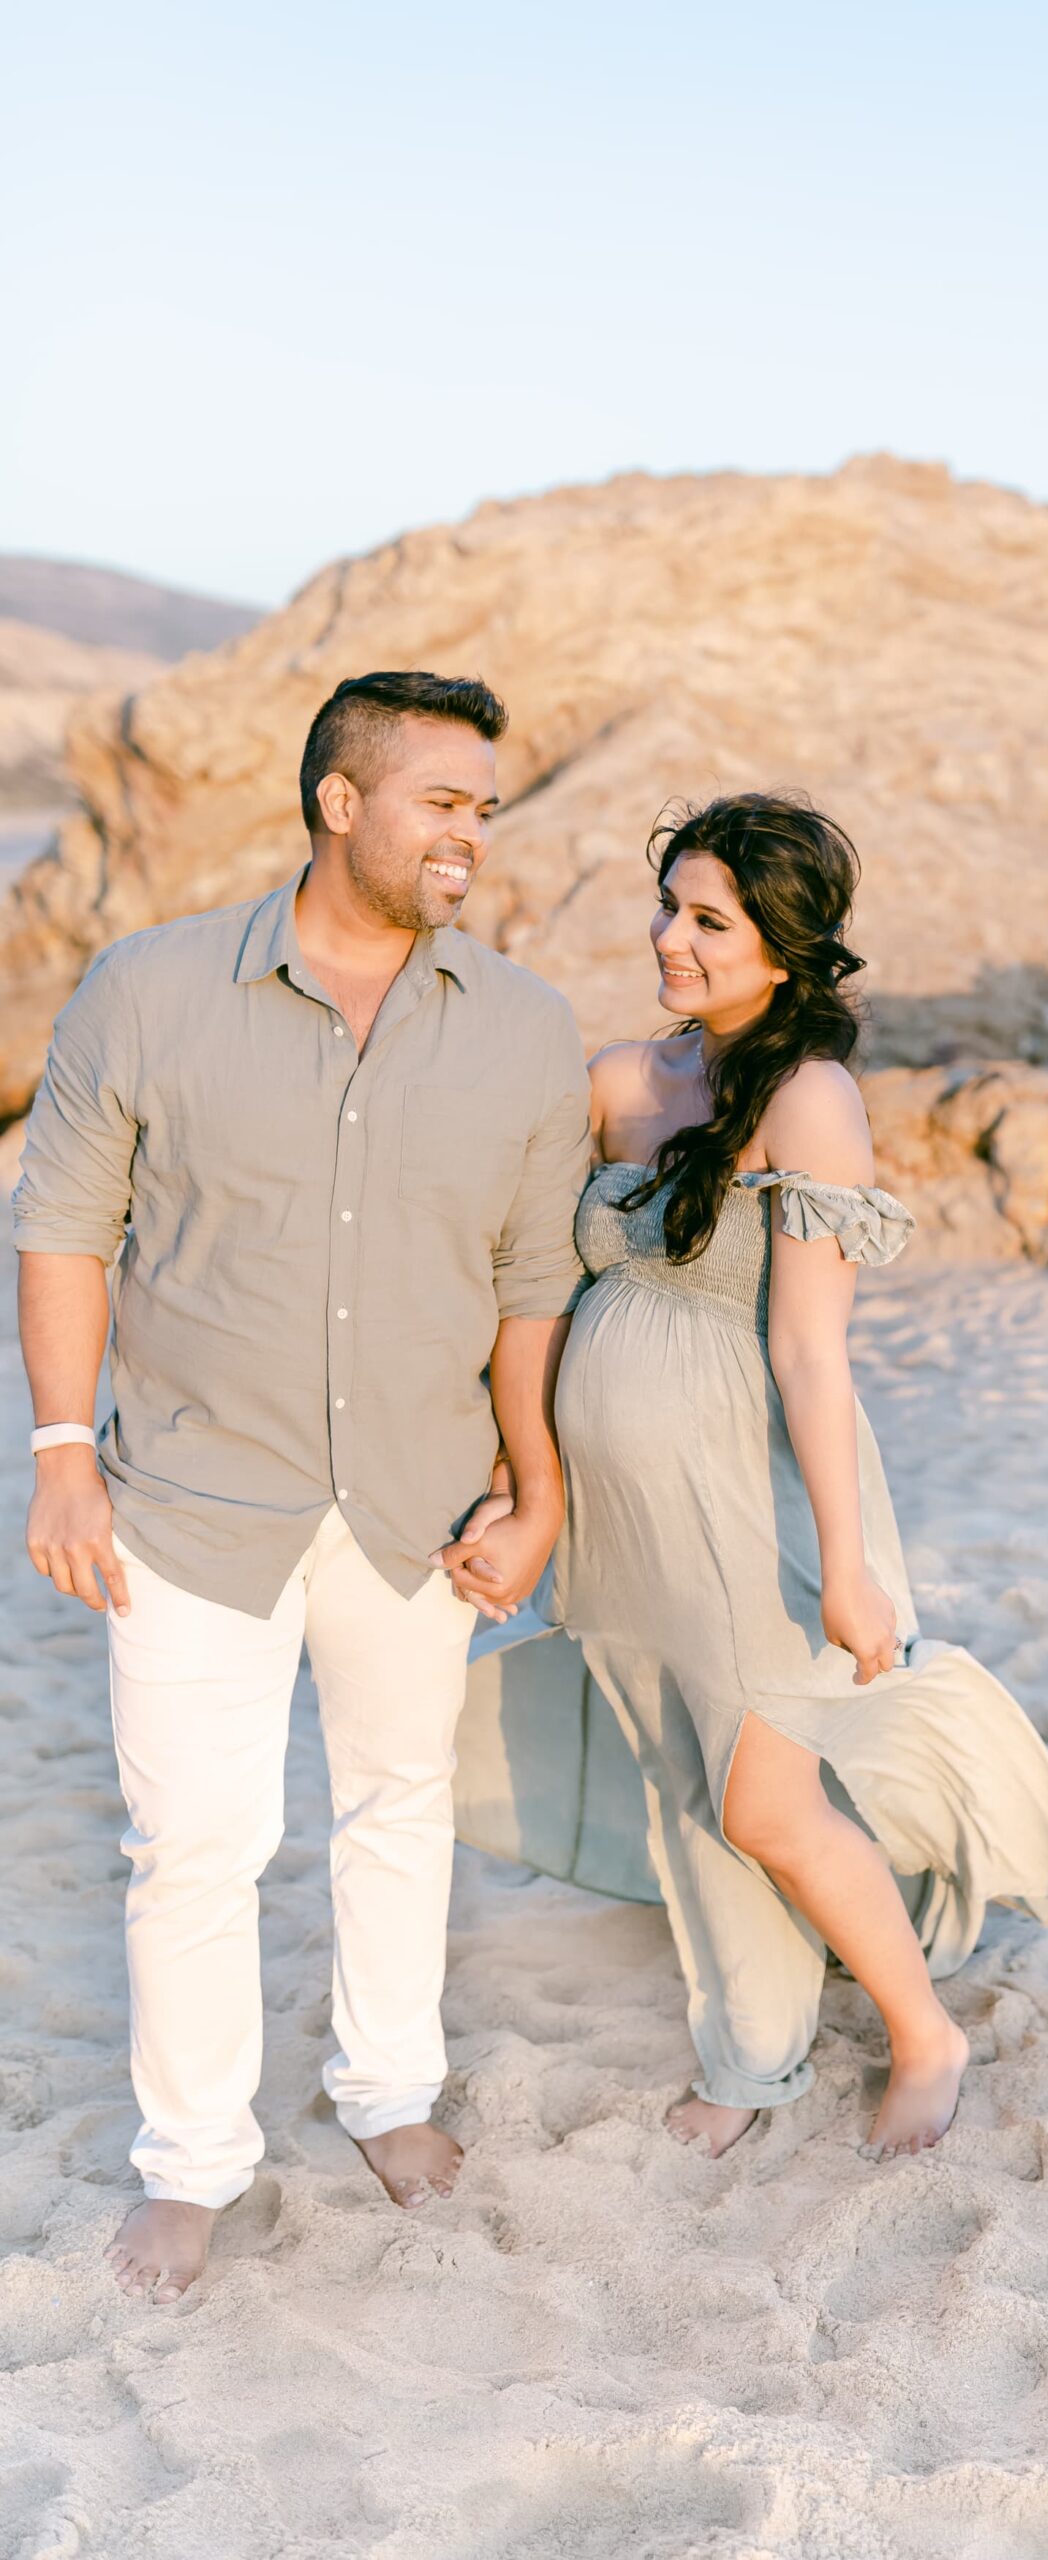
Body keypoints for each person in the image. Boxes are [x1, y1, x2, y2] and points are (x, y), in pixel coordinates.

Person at [14, 670, 587, 2303]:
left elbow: (533, 1281)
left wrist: (529, 1491)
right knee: (194, 1841)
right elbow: (63, 1225)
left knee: (400, 1809)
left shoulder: (527, 1027)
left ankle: (385, 2092)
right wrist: (62, 1458)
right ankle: (191, 2166)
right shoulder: (149, 988)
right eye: (443, 801)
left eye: (485, 805)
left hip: (417, 1502)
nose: (472, 833)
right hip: (193, 1493)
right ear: (341, 802)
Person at [437, 795, 1048, 2160]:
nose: (672, 938)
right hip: (617, 1521)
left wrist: (846, 1564)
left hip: (742, 1504)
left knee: (761, 1800)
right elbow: (533, 1284)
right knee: (692, 1798)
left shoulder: (809, 1100)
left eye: (709, 920)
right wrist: (519, 1476)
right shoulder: (622, 1082)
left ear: (782, 949)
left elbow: (808, 1351)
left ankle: (927, 2033)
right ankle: (751, 2057)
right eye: (669, 907)